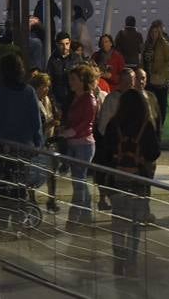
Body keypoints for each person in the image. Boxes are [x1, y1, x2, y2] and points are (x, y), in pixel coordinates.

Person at [100, 90, 160, 276]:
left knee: (118, 222)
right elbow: (154, 153)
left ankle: (118, 260)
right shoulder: (146, 125)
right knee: (135, 224)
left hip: (117, 181)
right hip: (138, 180)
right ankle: (132, 261)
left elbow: (105, 153)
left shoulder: (114, 124)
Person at [59, 65, 98, 230]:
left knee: (79, 182)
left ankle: (75, 217)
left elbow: (85, 123)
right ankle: (86, 214)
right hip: (75, 142)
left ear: (83, 81)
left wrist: (69, 132)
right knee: (79, 181)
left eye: (74, 79)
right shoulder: (75, 97)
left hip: (83, 144)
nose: (70, 82)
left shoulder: (88, 99)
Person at [31, 72, 60, 211]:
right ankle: (31, 198)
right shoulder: (32, 102)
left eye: (48, 86)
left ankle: (52, 199)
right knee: (34, 170)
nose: (46, 89)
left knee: (52, 171)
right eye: (44, 86)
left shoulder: (48, 100)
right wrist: (47, 125)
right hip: (37, 140)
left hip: (49, 139)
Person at [141, 20, 169, 125]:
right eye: (152, 32)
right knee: (149, 102)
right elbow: (143, 59)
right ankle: (150, 124)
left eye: (156, 32)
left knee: (161, 104)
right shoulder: (147, 45)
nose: (153, 34)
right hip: (148, 77)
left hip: (160, 79)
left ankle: (160, 124)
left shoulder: (164, 44)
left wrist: (160, 71)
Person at [47, 33, 82, 114]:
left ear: (70, 43)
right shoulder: (53, 60)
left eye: (67, 44)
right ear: (57, 44)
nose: (65, 47)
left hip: (74, 97)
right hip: (59, 98)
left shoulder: (76, 58)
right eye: (62, 44)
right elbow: (50, 80)